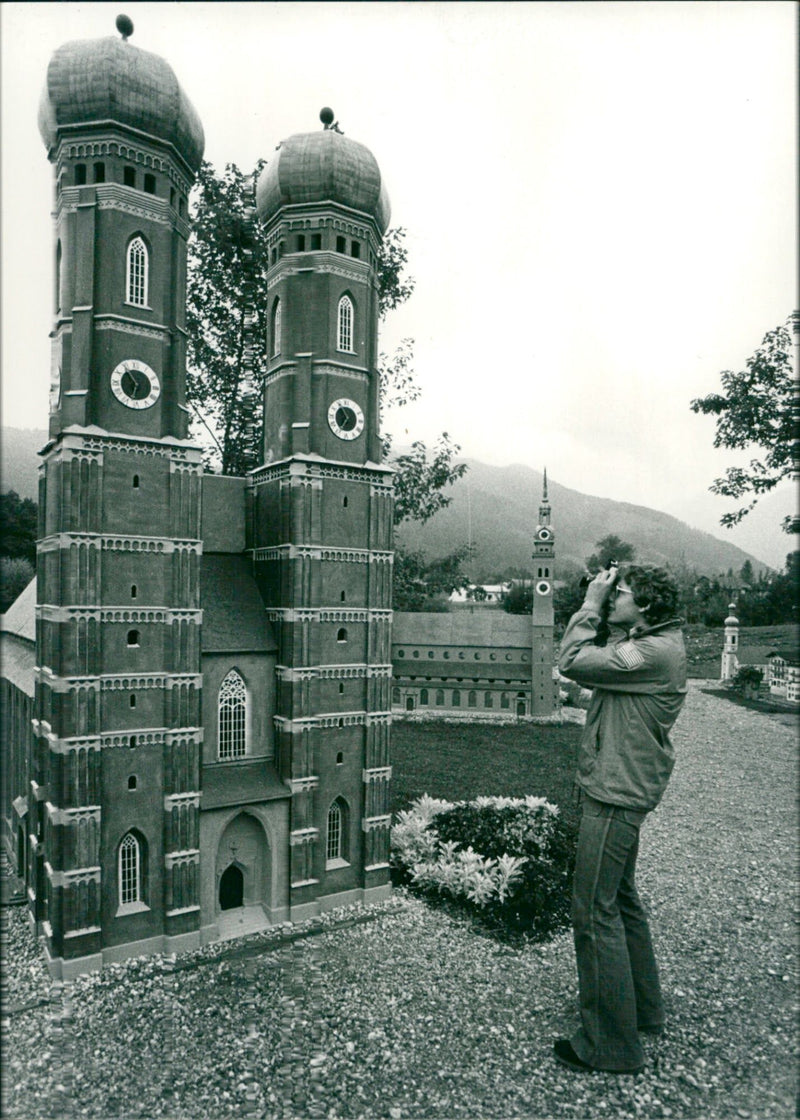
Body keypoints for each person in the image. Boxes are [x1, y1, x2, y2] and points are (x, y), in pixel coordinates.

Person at [554, 564, 687, 1075]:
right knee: (621, 899)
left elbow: (572, 659)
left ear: (648, 604)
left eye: (620, 592)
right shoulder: (652, 644)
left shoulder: (650, 652)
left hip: (615, 793)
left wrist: (590, 602)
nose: (611, 597)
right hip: (622, 784)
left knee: (593, 909)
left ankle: (610, 1044)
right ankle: (642, 1011)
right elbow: (605, 668)